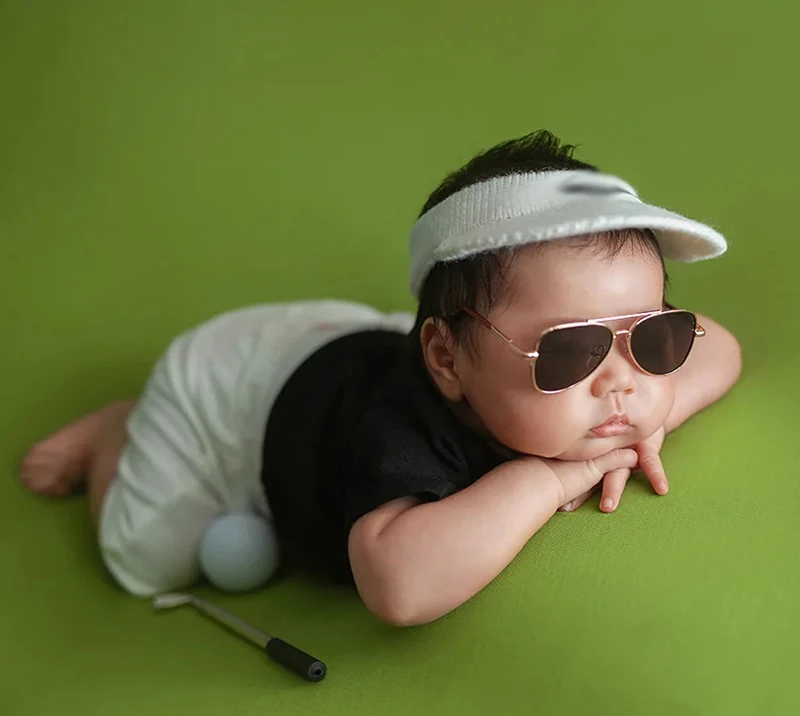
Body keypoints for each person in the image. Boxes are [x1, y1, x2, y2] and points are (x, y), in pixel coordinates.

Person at [20, 131, 742, 626]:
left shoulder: (527, 370)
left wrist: (646, 423)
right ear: (447, 363)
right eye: (569, 352)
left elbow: (723, 348)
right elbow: (398, 586)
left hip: (345, 342)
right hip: (227, 399)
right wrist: (551, 478)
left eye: (655, 337)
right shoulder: (401, 428)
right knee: (149, 559)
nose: (622, 382)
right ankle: (117, 430)